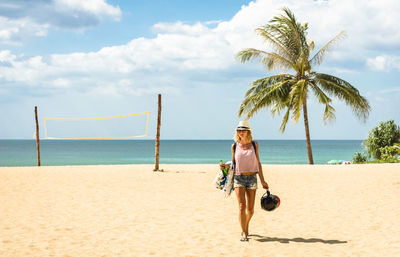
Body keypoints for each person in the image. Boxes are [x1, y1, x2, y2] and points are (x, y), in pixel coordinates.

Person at [223, 120, 269, 241]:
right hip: (239, 178)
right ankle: (244, 232)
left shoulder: (255, 145)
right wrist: (226, 166)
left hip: (252, 177)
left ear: (248, 131)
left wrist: (263, 180)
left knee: (251, 209)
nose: (240, 132)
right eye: (239, 130)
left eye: (243, 130)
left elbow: (258, 162)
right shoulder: (234, 146)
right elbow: (233, 163)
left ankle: (246, 224)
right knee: (242, 206)